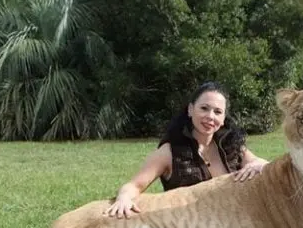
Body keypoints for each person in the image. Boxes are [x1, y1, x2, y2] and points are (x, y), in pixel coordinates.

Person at [103, 81, 269, 218]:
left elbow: (259, 163)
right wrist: (124, 197)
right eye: (204, 108)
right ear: (190, 110)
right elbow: (134, 185)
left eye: (217, 112)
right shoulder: (169, 152)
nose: (210, 116)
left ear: (223, 119)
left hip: (231, 227)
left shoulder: (232, 147)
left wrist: (260, 163)